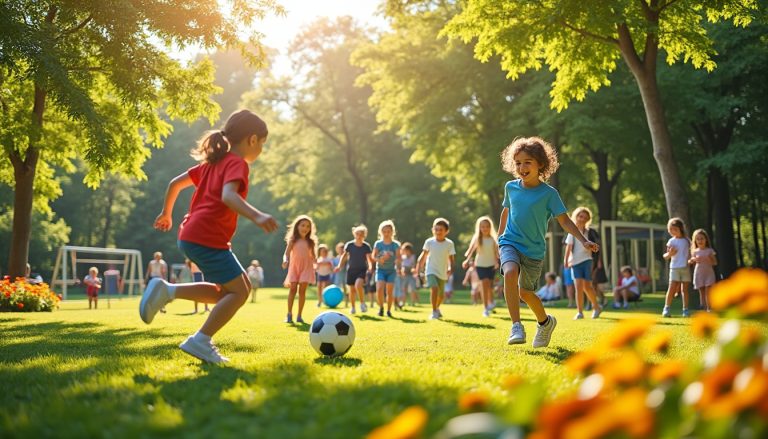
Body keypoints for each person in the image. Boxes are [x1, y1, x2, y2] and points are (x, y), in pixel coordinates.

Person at [141, 109, 278, 364]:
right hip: (206, 236)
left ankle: (168, 291)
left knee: (224, 292)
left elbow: (174, 184)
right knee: (240, 292)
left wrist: (167, 214)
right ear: (251, 139)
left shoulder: (212, 162)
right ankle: (200, 340)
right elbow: (228, 196)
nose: (261, 149)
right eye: (262, 143)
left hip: (191, 235)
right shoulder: (237, 163)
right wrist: (257, 216)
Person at [498, 137, 599, 348]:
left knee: (525, 292)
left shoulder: (549, 194)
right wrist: (500, 240)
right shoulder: (510, 187)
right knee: (509, 273)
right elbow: (505, 213)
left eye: (527, 162)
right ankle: (516, 325)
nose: (522, 167)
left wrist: (583, 240)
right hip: (510, 242)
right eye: (517, 163)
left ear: (540, 164)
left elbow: (565, 220)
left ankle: (545, 323)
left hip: (533, 250)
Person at [563, 207, 603, 320]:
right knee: (578, 287)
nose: (582, 219)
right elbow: (568, 248)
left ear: (588, 219)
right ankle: (580, 312)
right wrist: (565, 261)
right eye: (581, 216)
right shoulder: (572, 231)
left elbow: (597, 247)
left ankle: (596, 307)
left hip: (587, 261)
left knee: (588, 287)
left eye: (585, 217)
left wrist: (599, 260)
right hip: (575, 262)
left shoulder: (590, 232)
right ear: (576, 216)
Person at [416, 217, 456, 320]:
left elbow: (451, 259)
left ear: (446, 231)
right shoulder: (429, 242)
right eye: (436, 229)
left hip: (442, 271)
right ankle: (434, 311)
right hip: (430, 270)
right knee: (434, 288)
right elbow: (423, 256)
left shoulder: (449, 244)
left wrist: (450, 268)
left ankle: (437, 308)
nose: (438, 232)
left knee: (441, 295)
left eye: (441, 230)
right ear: (433, 230)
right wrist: (418, 268)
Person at [462, 215, 500, 317]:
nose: (485, 228)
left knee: (489, 287)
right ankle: (485, 308)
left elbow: (496, 252)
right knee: (484, 284)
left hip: (491, 265)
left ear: (490, 227)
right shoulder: (477, 239)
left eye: (487, 226)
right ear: (479, 228)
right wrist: (466, 260)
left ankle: (490, 302)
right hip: (480, 265)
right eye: (482, 226)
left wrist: (497, 262)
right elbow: (471, 251)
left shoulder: (493, 239)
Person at [282, 215, 317, 324]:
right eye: (302, 225)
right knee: (293, 289)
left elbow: (314, 256)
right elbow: (286, 253)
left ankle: (299, 316)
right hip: (294, 267)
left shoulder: (311, 242)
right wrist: (285, 260)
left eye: (307, 226)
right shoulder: (292, 240)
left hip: (306, 268)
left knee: (302, 291)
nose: (305, 228)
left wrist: (316, 263)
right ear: (297, 226)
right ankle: (289, 314)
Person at [335, 225, 373, 314]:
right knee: (351, 290)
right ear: (354, 234)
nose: (359, 236)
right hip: (351, 270)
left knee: (358, 285)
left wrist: (370, 266)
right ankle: (352, 307)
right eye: (357, 234)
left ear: (364, 235)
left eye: (361, 234)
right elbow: (344, 256)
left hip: (362, 270)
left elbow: (369, 258)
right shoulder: (349, 245)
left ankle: (362, 303)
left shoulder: (366, 246)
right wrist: (339, 266)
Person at [662, 217, 691, 318]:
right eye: (671, 229)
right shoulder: (671, 241)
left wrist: (691, 260)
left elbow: (691, 254)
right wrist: (670, 253)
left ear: (681, 228)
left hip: (685, 268)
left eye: (675, 229)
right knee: (672, 287)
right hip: (674, 268)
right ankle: (666, 308)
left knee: (685, 290)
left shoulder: (687, 241)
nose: (672, 232)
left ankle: (685, 310)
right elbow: (665, 256)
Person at [373, 220, 402, 317]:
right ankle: (381, 308)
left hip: (391, 271)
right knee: (380, 289)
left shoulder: (395, 244)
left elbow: (399, 257)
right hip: (380, 270)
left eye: (388, 231)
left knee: (389, 291)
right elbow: (373, 256)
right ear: (381, 232)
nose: (386, 233)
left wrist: (398, 266)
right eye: (384, 231)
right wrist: (379, 259)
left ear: (392, 232)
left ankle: (389, 310)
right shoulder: (378, 244)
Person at [689, 229, 717, 312]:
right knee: (701, 292)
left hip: (708, 273)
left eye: (702, 238)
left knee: (708, 291)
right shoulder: (695, 251)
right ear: (695, 241)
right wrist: (693, 260)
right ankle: (703, 308)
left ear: (706, 239)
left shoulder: (710, 251)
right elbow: (690, 261)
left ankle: (709, 308)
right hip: (699, 273)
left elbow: (715, 262)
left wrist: (709, 259)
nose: (700, 241)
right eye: (698, 239)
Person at [331, 242, 349, 307]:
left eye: (342, 249)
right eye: (339, 249)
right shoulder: (335, 258)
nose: (340, 250)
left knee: (345, 288)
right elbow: (333, 267)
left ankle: (346, 302)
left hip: (345, 274)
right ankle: (336, 301)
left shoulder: (346, 257)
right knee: (337, 288)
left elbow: (344, 265)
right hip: (337, 275)